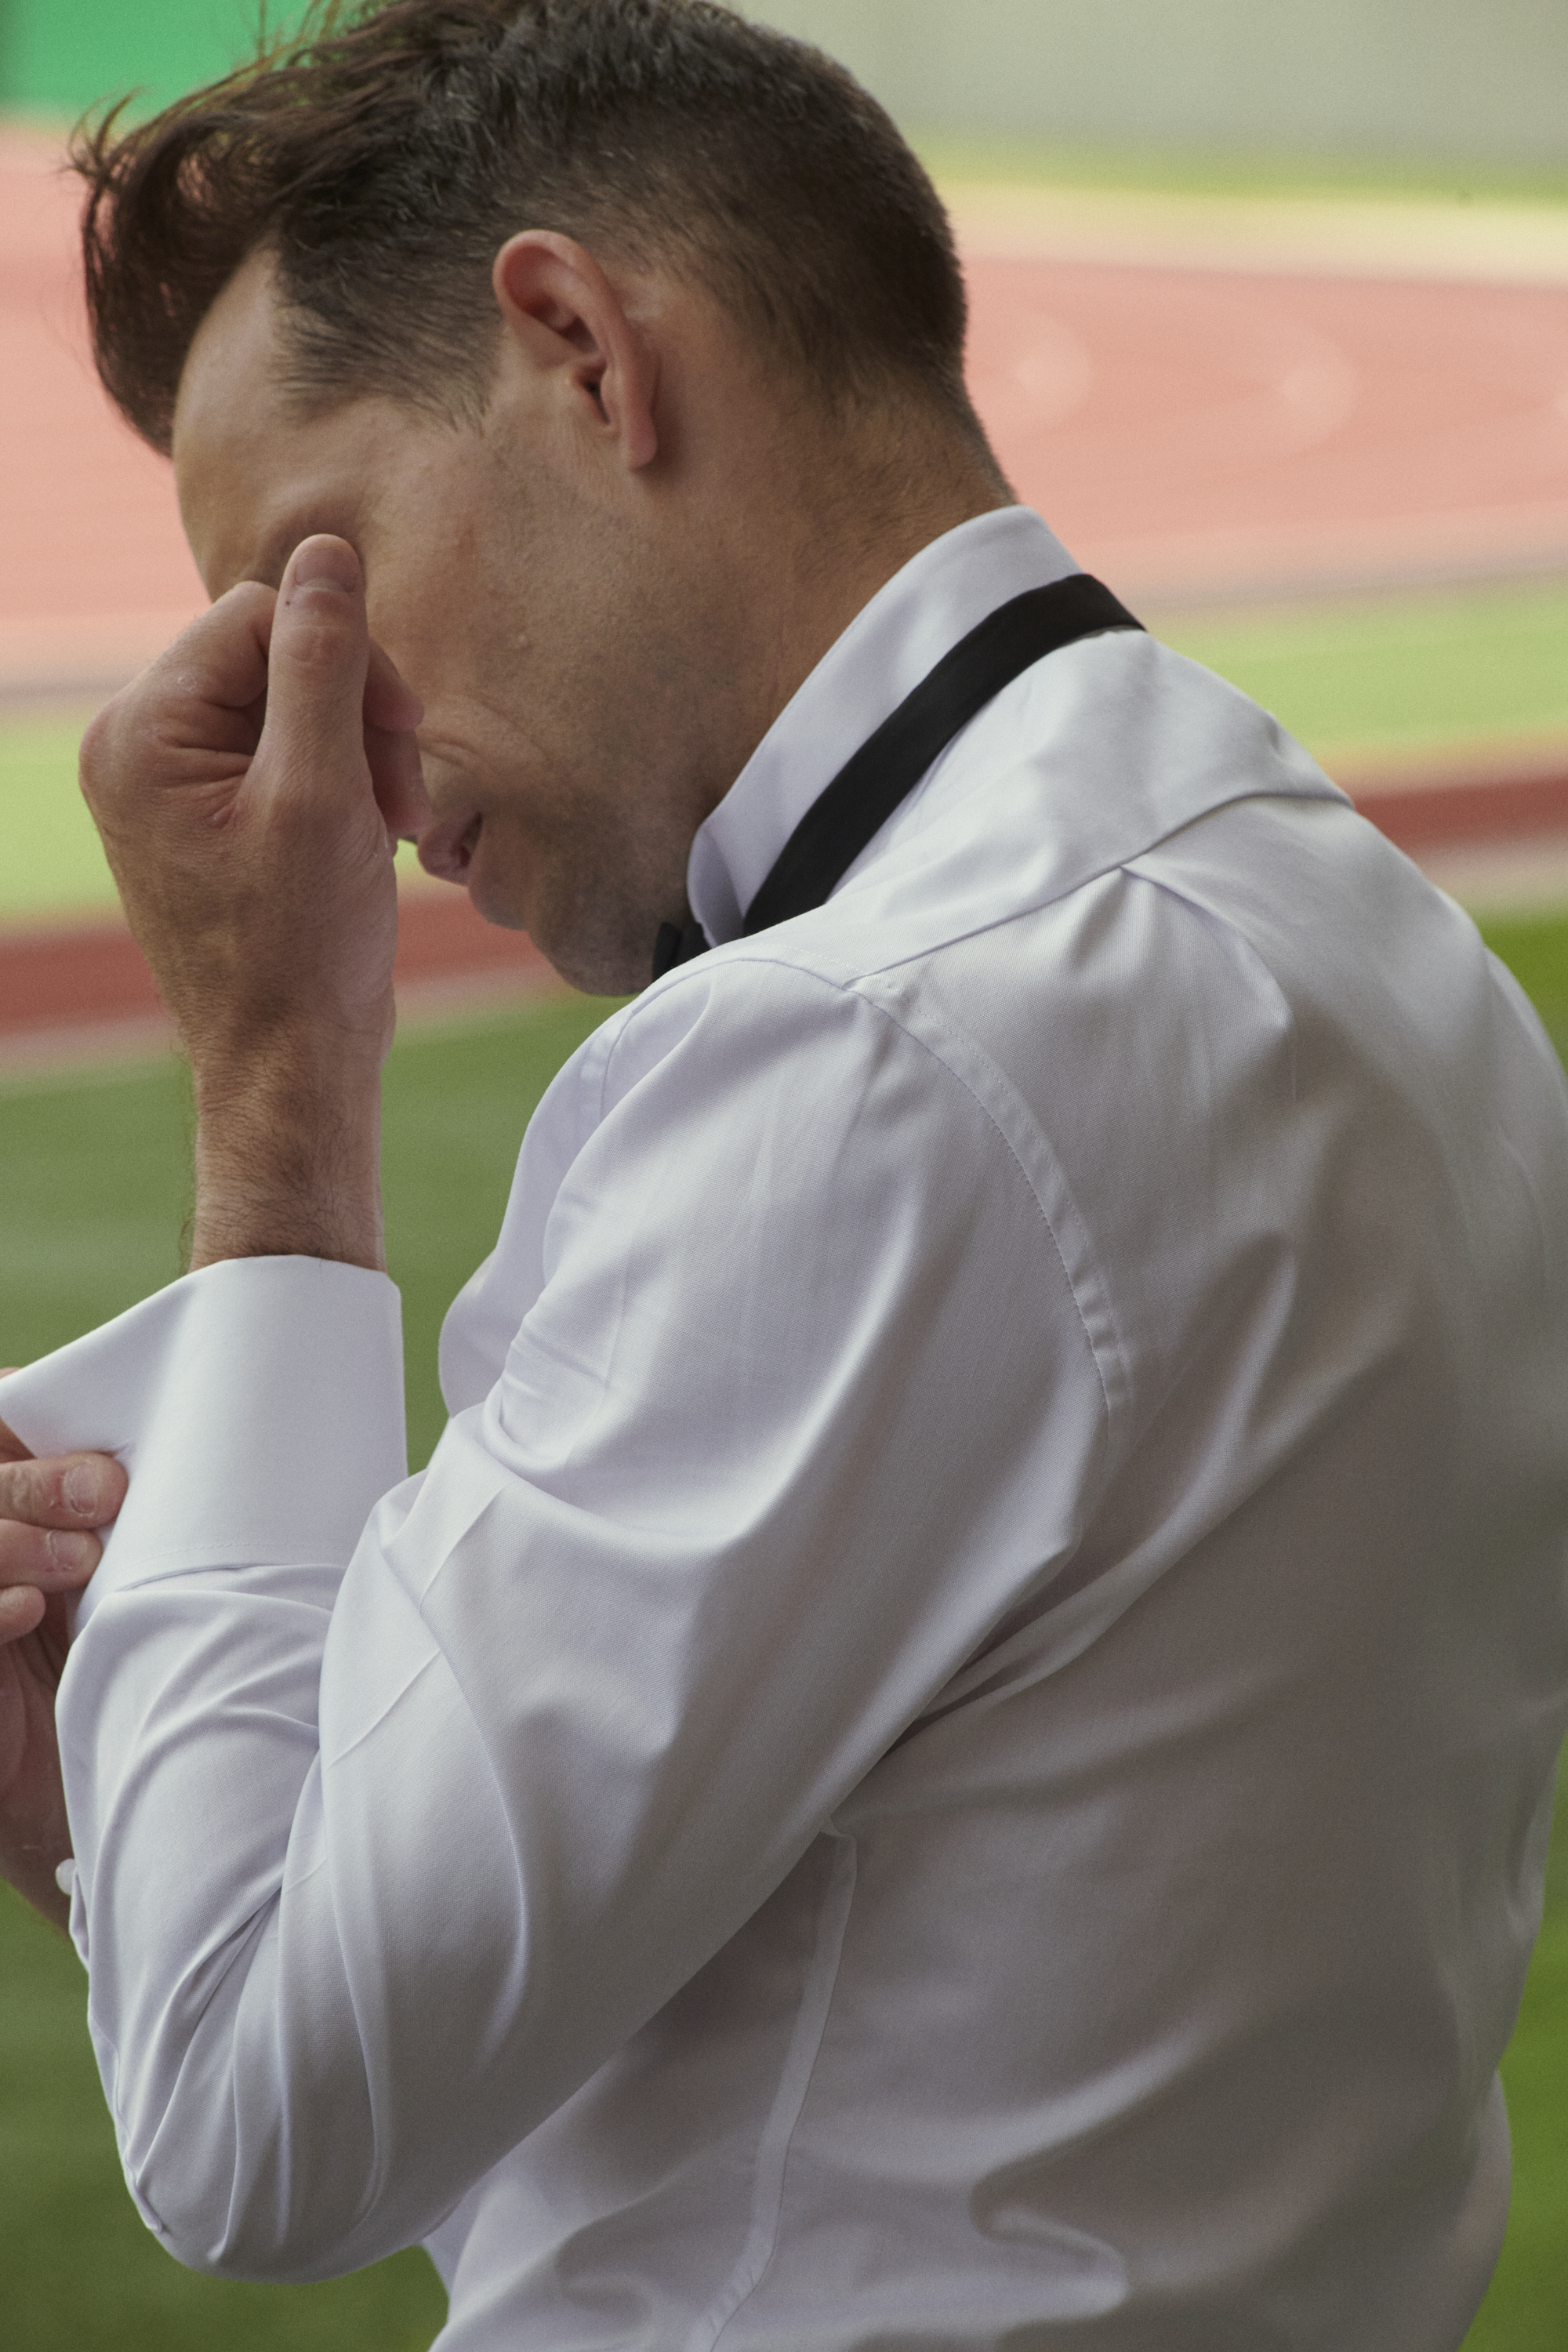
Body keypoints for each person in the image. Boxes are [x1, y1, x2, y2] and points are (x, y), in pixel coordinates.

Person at [2, 2, 1566, 2343]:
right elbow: (749, 2110)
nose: (334, 746)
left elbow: (262, 2127)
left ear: (580, 351)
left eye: (320, 578)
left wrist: (279, 1081)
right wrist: (105, 1768)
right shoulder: (1369, 930)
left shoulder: (866, 1056)